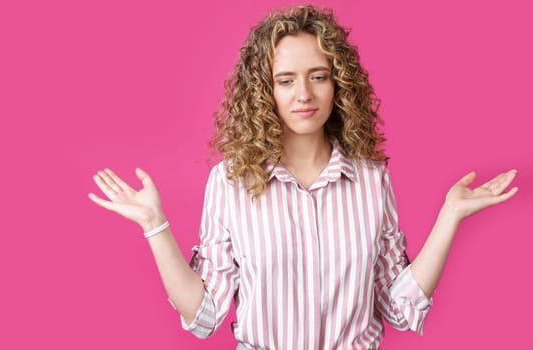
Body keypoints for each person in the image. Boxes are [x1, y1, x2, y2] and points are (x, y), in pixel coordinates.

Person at [87, 4, 518, 350]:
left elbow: (398, 308)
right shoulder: (230, 182)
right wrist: (155, 227)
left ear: (339, 84)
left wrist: (450, 215)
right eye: (285, 80)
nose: (304, 95)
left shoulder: (371, 179)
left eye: (318, 76)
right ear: (265, 91)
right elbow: (205, 315)